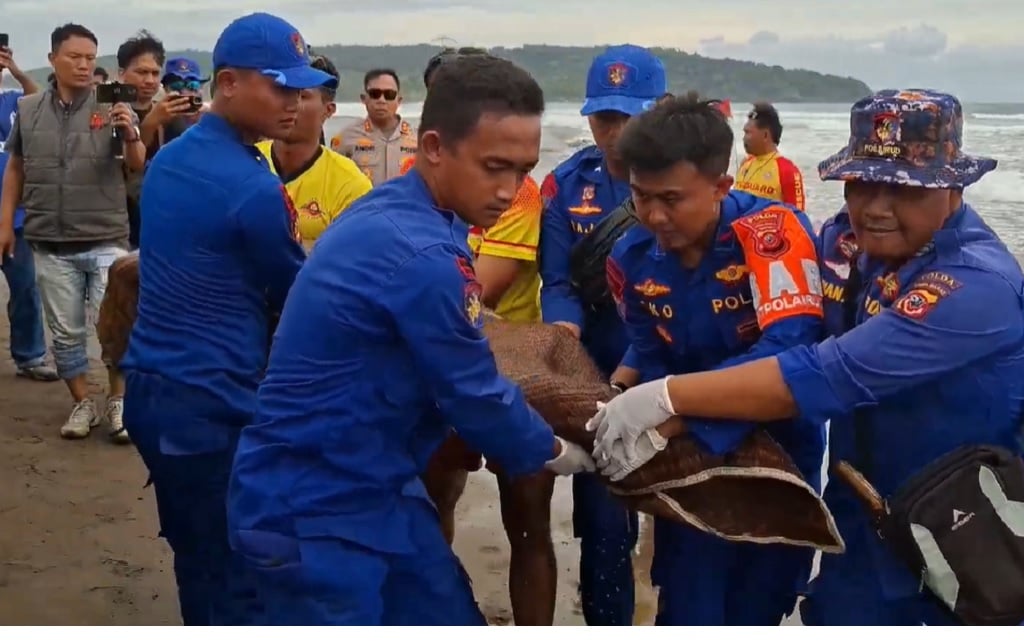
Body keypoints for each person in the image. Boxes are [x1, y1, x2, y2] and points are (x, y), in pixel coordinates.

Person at [589, 89, 1022, 626]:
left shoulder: (975, 285)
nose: (876, 208)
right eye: (862, 185)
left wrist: (665, 399)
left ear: (952, 185)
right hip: (858, 524)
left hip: (959, 530)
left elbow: (822, 371)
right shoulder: (844, 241)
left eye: (904, 190)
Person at [227, 54, 595, 626]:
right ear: (433, 147)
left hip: (382, 487)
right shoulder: (424, 254)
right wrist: (557, 451)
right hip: (311, 502)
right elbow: (473, 393)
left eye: (522, 171)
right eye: (493, 166)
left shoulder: (401, 211)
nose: (508, 190)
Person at [120, 12, 329, 625]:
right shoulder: (250, 185)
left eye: (301, 89)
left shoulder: (171, 160)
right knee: (239, 572)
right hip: (214, 403)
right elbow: (297, 292)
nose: (293, 102)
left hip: (154, 393)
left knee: (198, 557)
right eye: (280, 87)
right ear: (230, 83)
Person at [601, 96, 825, 625]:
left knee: (760, 605)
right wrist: (618, 393)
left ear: (723, 186)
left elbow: (789, 348)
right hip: (690, 464)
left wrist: (672, 412)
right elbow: (650, 350)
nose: (654, 216)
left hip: (779, 455)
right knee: (687, 604)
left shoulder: (774, 234)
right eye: (641, 197)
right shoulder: (628, 259)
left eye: (672, 199)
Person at [538, 43, 665, 626]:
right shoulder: (565, 186)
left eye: (629, 116)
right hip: (594, 365)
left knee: (677, 510)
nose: (615, 132)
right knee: (601, 516)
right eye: (605, 117)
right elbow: (557, 278)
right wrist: (563, 335)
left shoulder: (682, 184)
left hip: (667, 365)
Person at [0, 23, 144, 442]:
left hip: (105, 237)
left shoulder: (113, 102)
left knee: (115, 327)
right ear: (53, 60)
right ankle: (83, 402)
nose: (84, 65)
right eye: (75, 57)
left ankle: (117, 404)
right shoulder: (28, 110)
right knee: (64, 333)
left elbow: (136, 162)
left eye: (90, 58)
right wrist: (6, 223)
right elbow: (16, 169)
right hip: (49, 239)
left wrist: (129, 130)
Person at [256, 54, 371, 250]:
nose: (289, 104)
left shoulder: (350, 185)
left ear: (328, 110)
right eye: (283, 92)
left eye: (302, 96)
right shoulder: (245, 160)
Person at [0, 44, 55, 381]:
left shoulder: (11, 101)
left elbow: (40, 101)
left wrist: (17, 72)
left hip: (15, 218)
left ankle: (30, 355)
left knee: (25, 288)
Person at [330, 68, 416, 185]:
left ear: (399, 100)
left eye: (389, 95)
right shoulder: (345, 140)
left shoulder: (418, 140)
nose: (381, 100)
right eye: (375, 94)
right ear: (364, 99)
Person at [735, 103, 806, 210]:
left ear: (765, 135)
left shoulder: (787, 171)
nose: (744, 138)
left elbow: (799, 217)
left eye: (748, 133)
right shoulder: (745, 163)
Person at [140, 57, 209, 152]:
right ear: (165, 90)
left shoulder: (211, 119)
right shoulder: (157, 121)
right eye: (176, 86)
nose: (184, 93)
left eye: (192, 86)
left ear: (201, 90)